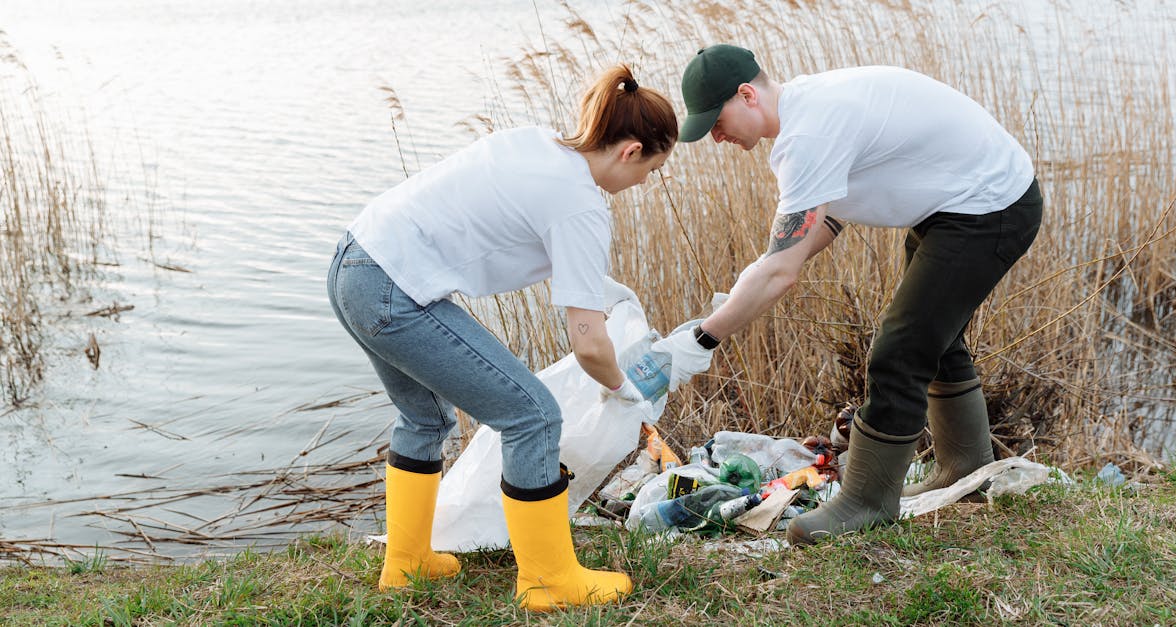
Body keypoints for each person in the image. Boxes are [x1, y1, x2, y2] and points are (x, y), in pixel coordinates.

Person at [652, 45, 1043, 544]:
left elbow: (781, 272)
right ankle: (967, 466)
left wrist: (704, 339)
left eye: (717, 122)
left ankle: (868, 500)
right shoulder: (811, 109)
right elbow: (820, 225)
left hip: (989, 206)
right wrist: (753, 279)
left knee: (900, 349)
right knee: (931, 337)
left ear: (747, 95)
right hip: (955, 206)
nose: (717, 136)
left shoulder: (806, 135)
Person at [327, 65, 677, 609]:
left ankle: (406, 562)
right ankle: (549, 580)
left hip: (355, 264)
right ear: (630, 151)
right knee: (533, 416)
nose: (645, 181)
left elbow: (519, 232)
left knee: (425, 418)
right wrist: (624, 390)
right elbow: (588, 342)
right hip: (395, 290)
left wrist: (603, 289)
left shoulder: (536, 144)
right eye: (652, 169)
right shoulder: (582, 205)